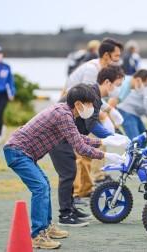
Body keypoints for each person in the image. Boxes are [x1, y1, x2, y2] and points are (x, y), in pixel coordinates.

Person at [3, 84, 123, 249]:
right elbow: (80, 147)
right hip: (17, 151)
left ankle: (47, 227)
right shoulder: (63, 115)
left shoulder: (65, 112)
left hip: (23, 152)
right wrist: (106, 155)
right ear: (78, 104)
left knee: (44, 184)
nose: (91, 108)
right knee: (41, 187)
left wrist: (103, 141)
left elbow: (77, 138)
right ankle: (38, 235)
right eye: (89, 104)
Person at [49, 66, 127, 226]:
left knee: (71, 171)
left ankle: (70, 209)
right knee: (68, 174)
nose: (118, 89)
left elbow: (95, 116)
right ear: (107, 82)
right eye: (117, 84)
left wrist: (113, 131)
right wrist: (112, 137)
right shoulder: (94, 96)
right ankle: (65, 215)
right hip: (58, 136)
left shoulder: (94, 93)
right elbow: (92, 125)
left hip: (66, 135)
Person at [116, 69, 147, 139]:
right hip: (126, 112)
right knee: (135, 139)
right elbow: (113, 103)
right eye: (145, 85)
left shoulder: (129, 85)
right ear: (138, 80)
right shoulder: (125, 85)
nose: (144, 88)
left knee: (144, 137)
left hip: (133, 113)